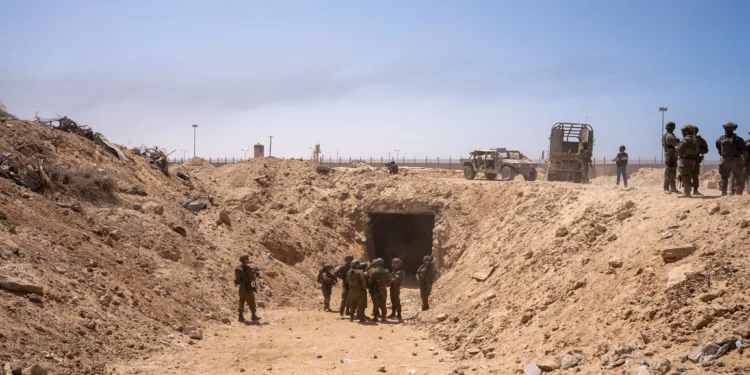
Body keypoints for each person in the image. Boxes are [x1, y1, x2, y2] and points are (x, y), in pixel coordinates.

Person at [716, 122, 747, 196]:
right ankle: (737, 194)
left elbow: (718, 147)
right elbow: (744, 149)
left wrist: (722, 154)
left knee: (724, 177)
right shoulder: (738, 139)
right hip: (736, 160)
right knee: (737, 176)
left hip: (725, 160)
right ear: (734, 129)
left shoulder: (720, 139)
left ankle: (723, 193)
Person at [234, 255, 261, 322]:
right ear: (245, 260)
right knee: (251, 302)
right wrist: (255, 274)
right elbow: (252, 279)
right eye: (247, 259)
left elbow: (237, 280)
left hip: (241, 288)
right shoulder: (248, 269)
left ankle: (240, 316)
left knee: (241, 302)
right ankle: (253, 315)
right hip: (248, 289)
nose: (248, 260)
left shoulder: (237, 268)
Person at [675, 125, 700, 198]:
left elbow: (679, 148)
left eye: (684, 131)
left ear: (689, 130)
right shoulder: (696, 139)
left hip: (686, 159)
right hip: (693, 160)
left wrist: (677, 146)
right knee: (688, 175)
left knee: (685, 176)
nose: (682, 132)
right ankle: (688, 191)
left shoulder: (686, 139)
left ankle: (687, 192)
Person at [662, 122, 680, 194]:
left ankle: (673, 188)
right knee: (669, 170)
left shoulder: (669, 135)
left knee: (673, 170)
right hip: (670, 154)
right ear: (673, 128)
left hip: (671, 153)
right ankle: (666, 188)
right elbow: (676, 145)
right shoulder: (670, 136)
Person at [691, 127, 710, 196]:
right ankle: (689, 190)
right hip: (690, 159)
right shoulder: (686, 139)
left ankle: (694, 190)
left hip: (695, 159)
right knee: (689, 175)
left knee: (694, 175)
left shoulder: (700, 140)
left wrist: (697, 151)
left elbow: (706, 150)